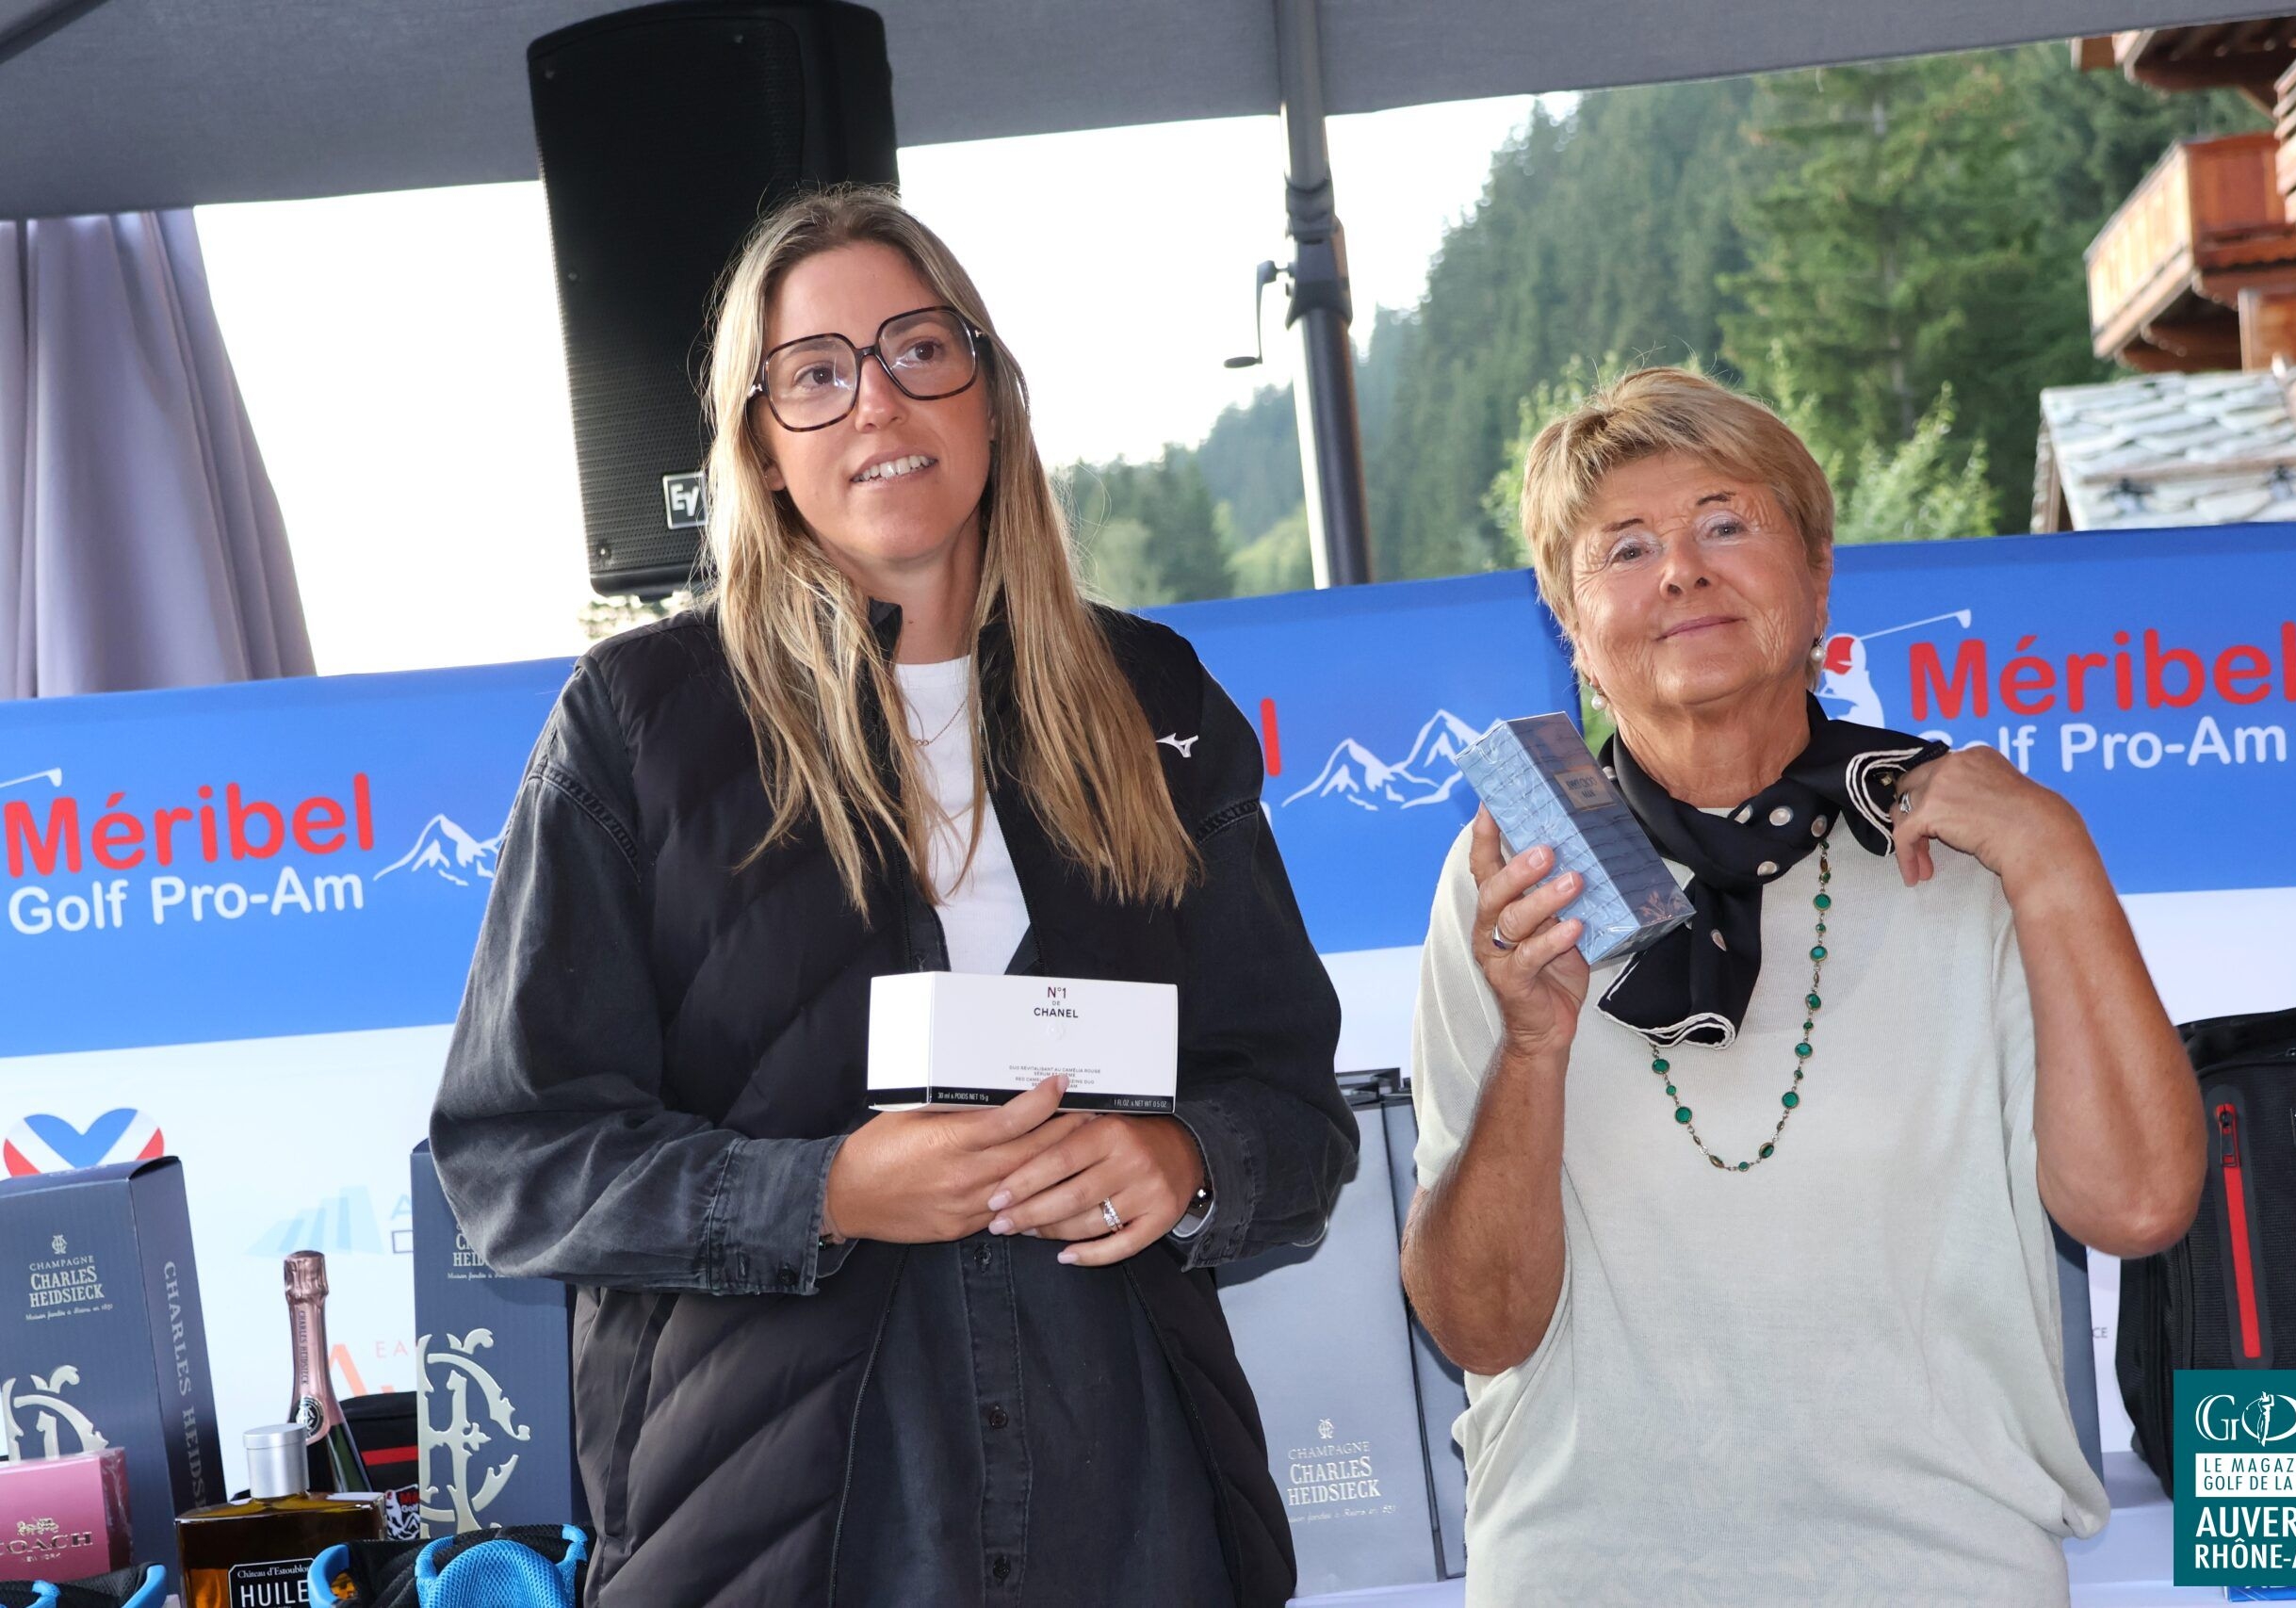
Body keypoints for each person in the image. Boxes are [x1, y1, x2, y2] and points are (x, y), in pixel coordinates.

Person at [430, 186, 1355, 1607]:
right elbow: (518, 1158)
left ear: (991, 394)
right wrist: (829, 1192)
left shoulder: (1153, 698)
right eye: (816, 373)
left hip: (1136, 1516)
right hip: (770, 1538)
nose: (878, 401)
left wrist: (1188, 1162)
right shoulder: (639, 721)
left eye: (922, 349)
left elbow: (1295, 1109)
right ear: (761, 444)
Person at [1399, 367, 2205, 1604]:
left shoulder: (1976, 844)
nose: (1681, 571)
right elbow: (1480, 1326)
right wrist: (1533, 1049)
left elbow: (2139, 1206)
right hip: (1588, 1571)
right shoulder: (1514, 881)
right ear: (1571, 623)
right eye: (1626, 548)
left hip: (1947, 1573)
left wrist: (2055, 858)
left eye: (1726, 523)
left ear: (1819, 578)